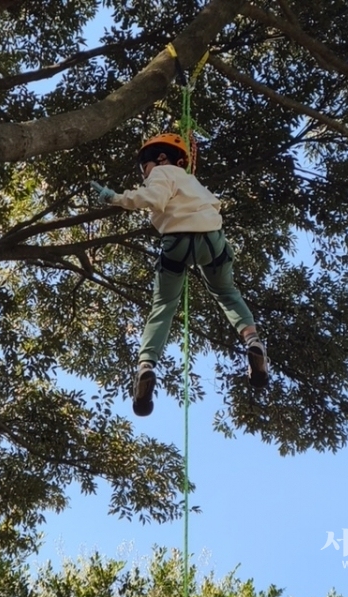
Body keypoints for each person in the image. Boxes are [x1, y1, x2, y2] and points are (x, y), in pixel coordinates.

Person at [93, 133, 268, 416]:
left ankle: (146, 365)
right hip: (213, 241)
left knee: (163, 306)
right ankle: (253, 341)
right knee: (226, 292)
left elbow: (154, 198)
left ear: (161, 158)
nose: (145, 174)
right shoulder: (192, 181)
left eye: (144, 168)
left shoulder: (162, 171)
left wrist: (115, 198)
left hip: (177, 243)